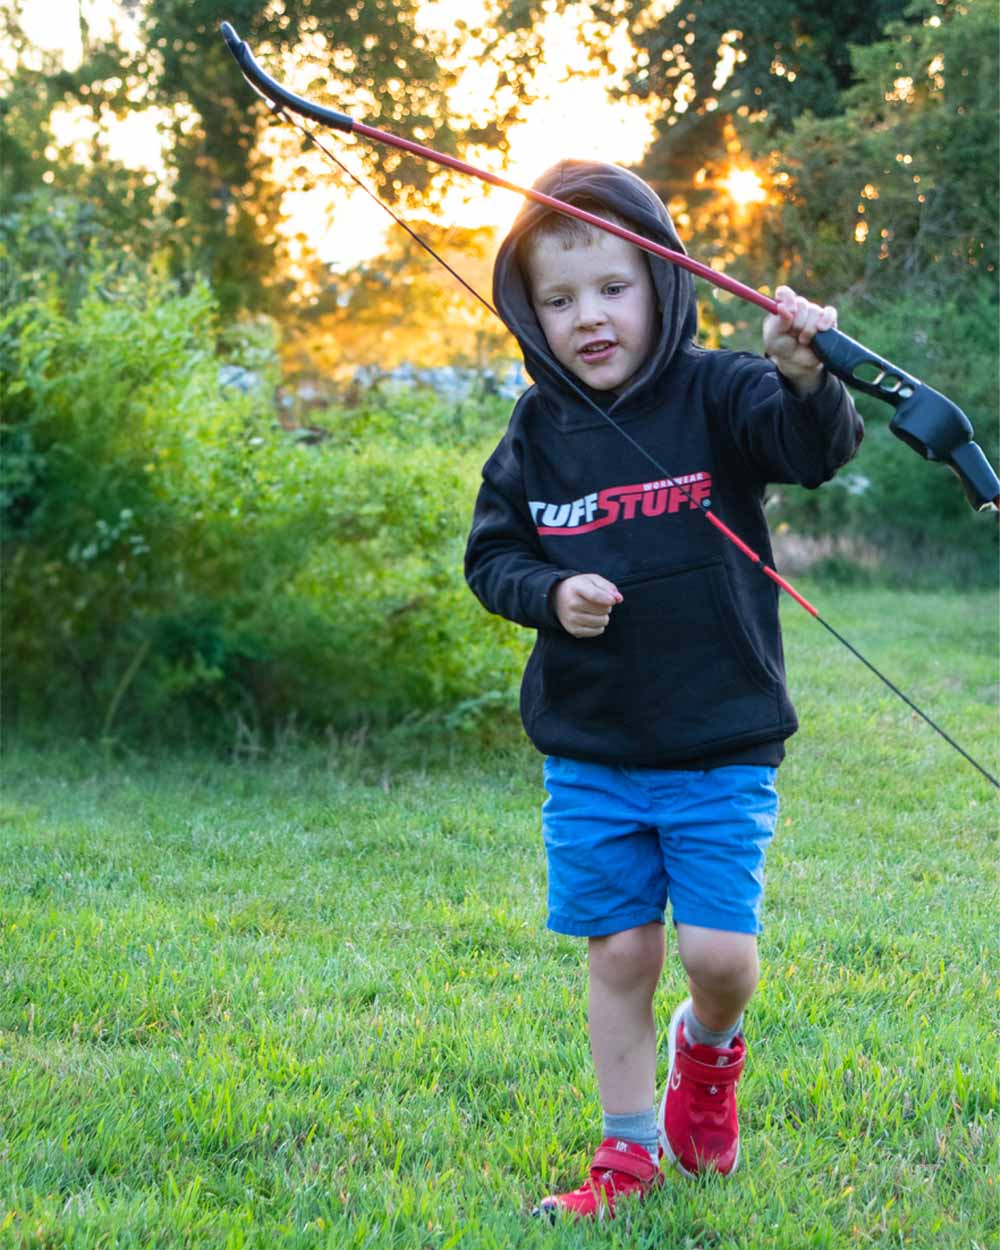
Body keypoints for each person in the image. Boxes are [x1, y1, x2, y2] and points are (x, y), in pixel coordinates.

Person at [464, 160, 863, 1221]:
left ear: (663, 283)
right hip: (591, 748)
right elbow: (491, 557)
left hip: (719, 740)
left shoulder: (722, 389)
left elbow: (810, 450)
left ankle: (709, 1050)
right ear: (528, 312)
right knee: (624, 951)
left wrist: (805, 377)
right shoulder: (534, 430)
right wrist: (550, 594)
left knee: (719, 958)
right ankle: (627, 1153)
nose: (588, 317)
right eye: (558, 299)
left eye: (612, 287)